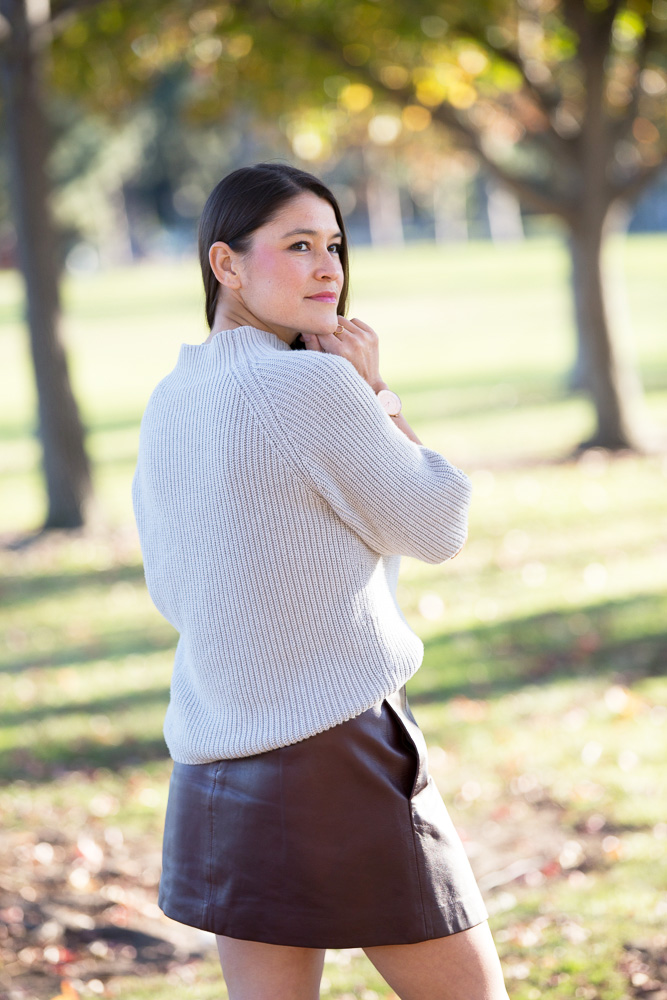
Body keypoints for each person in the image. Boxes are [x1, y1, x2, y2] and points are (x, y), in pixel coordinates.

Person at [131, 161, 509, 1000]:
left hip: (218, 758)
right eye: (297, 245)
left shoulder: (171, 397)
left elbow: (172, 587)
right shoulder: (309, 383)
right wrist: (376, 389)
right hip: (338, 749)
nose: (328, 267)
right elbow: (438, 522)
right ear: (225, 264)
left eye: (333, 244)